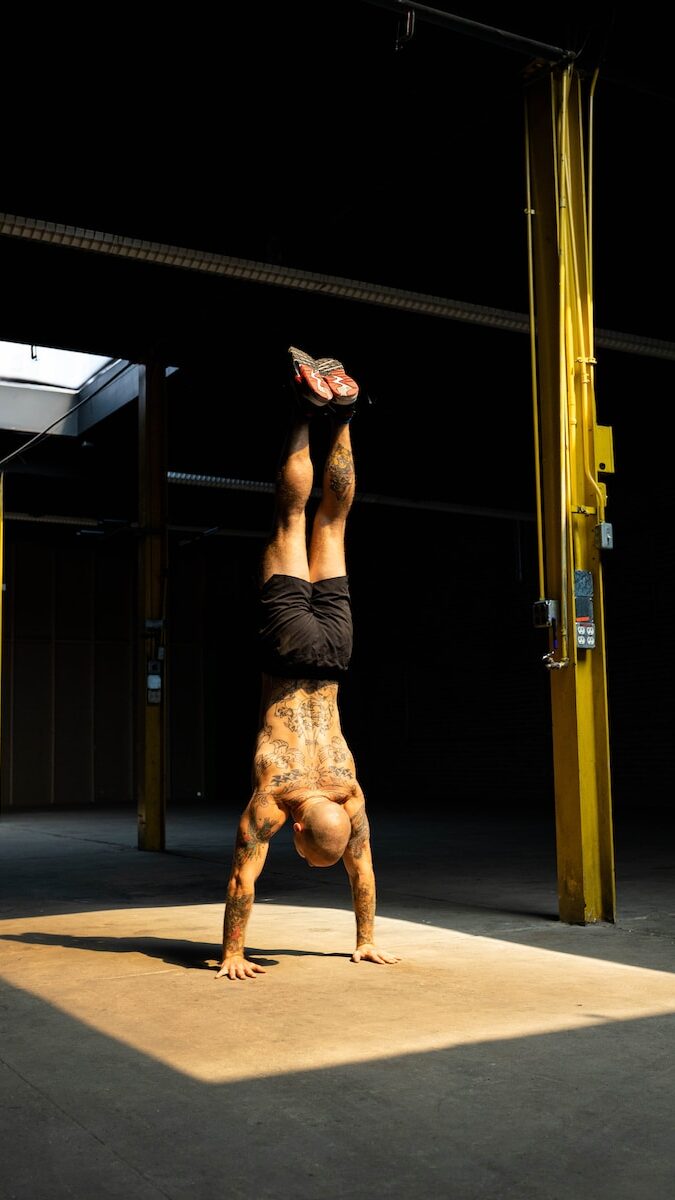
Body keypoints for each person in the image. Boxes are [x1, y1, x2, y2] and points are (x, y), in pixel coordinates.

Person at [216, 345, 400, 980]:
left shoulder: (351, 795)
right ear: (296, 827)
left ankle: (344, 412)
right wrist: (233, 952)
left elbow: (364, 868)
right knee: (291, 516)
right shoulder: (279, 795)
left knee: (333, 524)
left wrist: (366, 935)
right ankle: (305, 408)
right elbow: (244, 875)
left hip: (336, 654)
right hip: (289, 649)